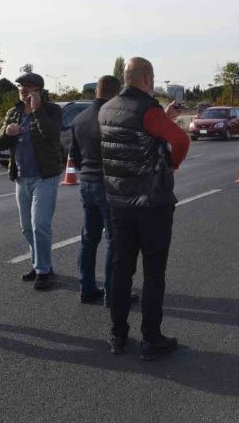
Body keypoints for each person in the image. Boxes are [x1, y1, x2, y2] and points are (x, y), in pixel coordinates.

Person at [99, 57, 190, 360]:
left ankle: (117, 333)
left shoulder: (107, 108)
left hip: (118, 202)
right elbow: (180, 140)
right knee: (153, 274)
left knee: (121, 270)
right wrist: (171, 167)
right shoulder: (148, 110)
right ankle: (151, 338)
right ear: (149, 79)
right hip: (151, 203)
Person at [69, 75, 138, 307]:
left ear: (96, 91)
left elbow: (75, 155)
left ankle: (86, 288)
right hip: (108, 183)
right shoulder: (113, 117)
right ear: (116, 92)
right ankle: (113, 292)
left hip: (86, 182)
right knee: (114, 240)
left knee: (89, 238)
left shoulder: (79, 118)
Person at [0, 72, 63, 290]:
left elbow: (51, 135)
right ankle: (39, 263)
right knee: (26, 228)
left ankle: (43, 270)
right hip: (21, 177)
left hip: (45, 176)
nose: (23, 90)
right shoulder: (13, 113)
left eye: (29, 87)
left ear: (39, 90)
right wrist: (7, 132)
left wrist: (38, 109)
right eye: (21, 87)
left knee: (39, 223)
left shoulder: (52, 110)